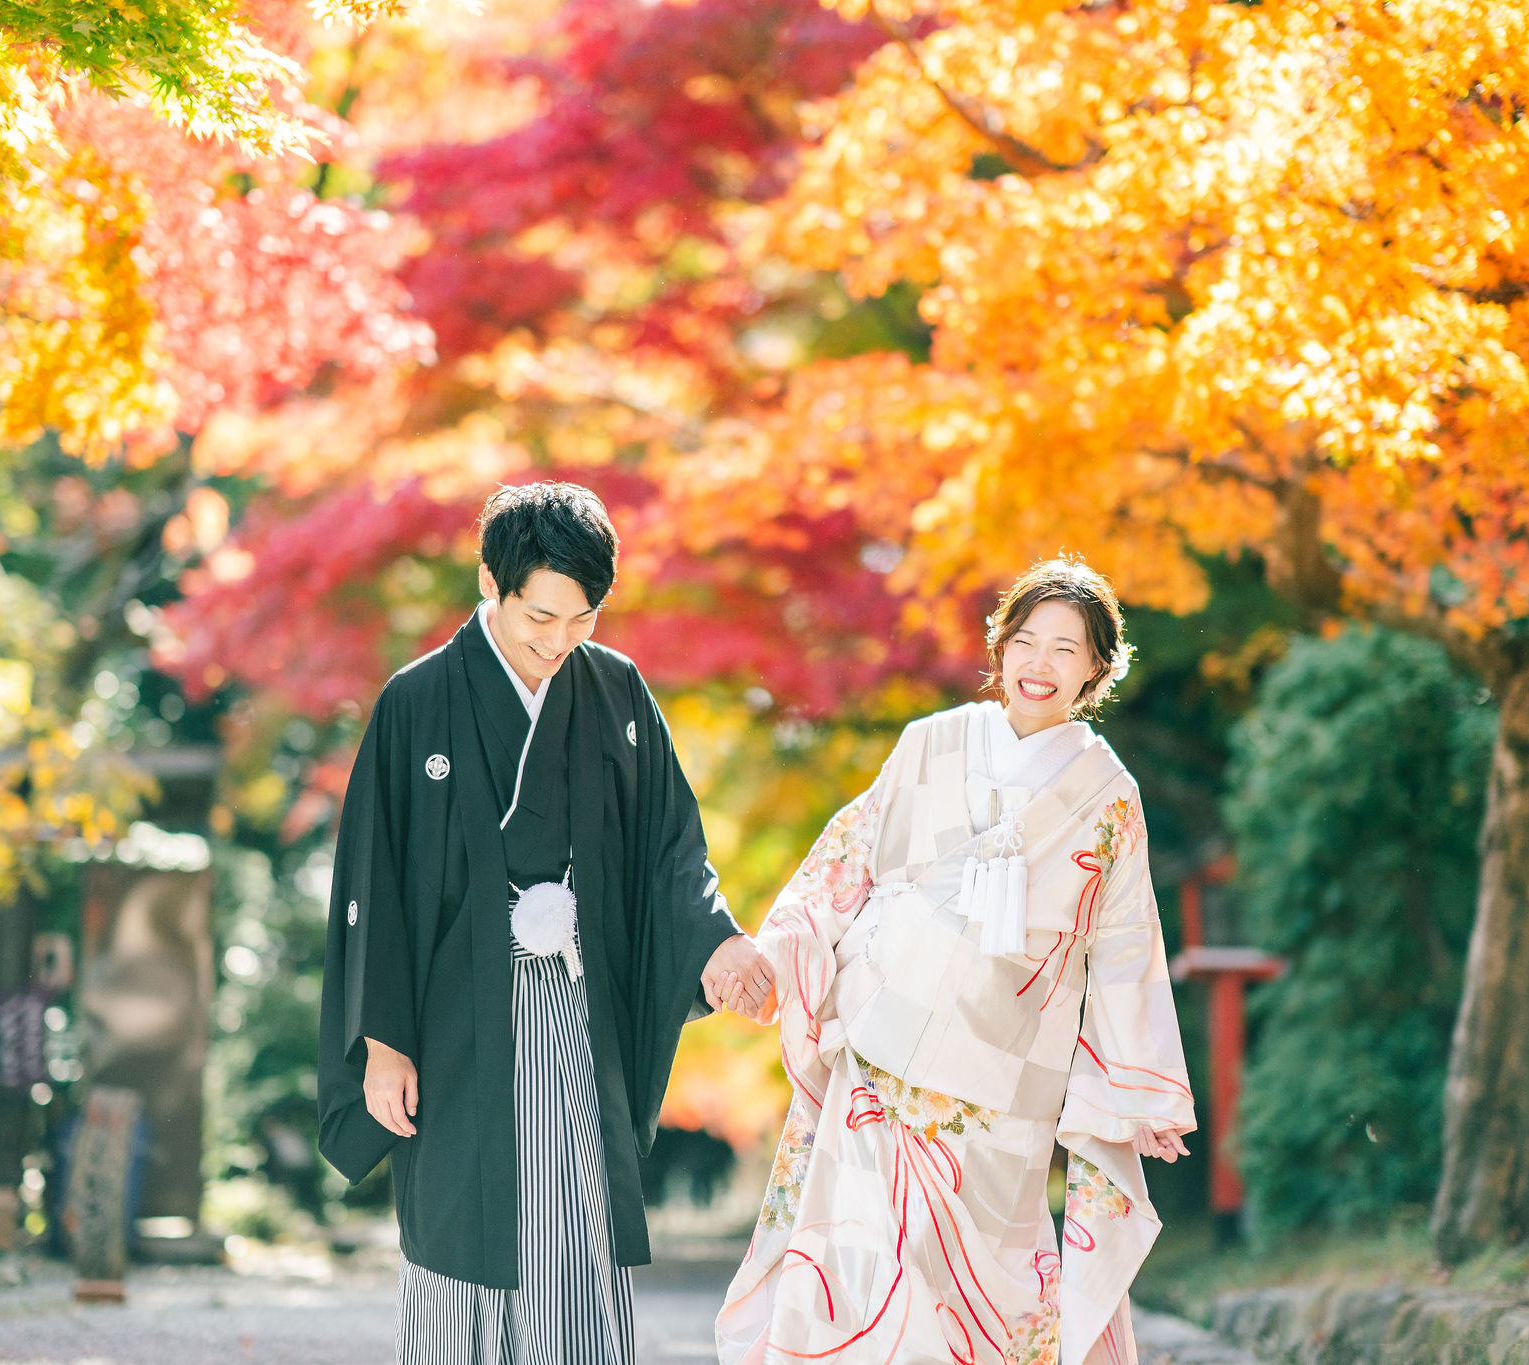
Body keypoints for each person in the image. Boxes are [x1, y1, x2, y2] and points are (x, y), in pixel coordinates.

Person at [316, 481, 774, 1364]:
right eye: (539, 616)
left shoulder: (617, 692)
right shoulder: (417, 702)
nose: (557, 641)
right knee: (459, 1219)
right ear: (491, 579)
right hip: (451, 1015)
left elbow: (670, 844)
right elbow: (371, 880)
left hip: (574, 1001)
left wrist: (716, 939)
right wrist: (383, 1042)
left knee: (576, 1214)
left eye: (581, 620)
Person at [718, 558, 1197, 1365]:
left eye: (1065, 650)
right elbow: (849, 854)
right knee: (863, 1257)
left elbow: (1123, 936)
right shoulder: (929, 744)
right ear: (1000, 646)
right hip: (882, 1035)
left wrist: (1136, 1083)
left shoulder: (1107, 792)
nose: (1039, 664)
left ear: (1098, 670)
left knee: (987, 1280)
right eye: (1027, 641)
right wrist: (775, 949)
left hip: (1007, 1068)